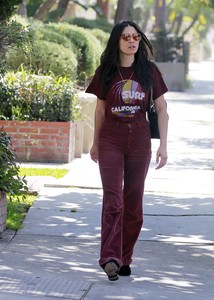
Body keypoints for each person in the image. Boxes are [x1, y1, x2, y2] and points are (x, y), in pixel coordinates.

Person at [85, 20, 169, 281]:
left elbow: (163, 109)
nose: (132, 41)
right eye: (126, 37)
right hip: (111, 138)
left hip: (140, 140)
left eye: (135, 37)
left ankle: (124, 257)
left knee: (133, 205)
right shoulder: (105, 72)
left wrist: (163, 146)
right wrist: (95, 142)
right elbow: (99, 111)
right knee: (113, 200)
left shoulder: (149, 71)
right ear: (117, 42)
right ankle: (109, 257)